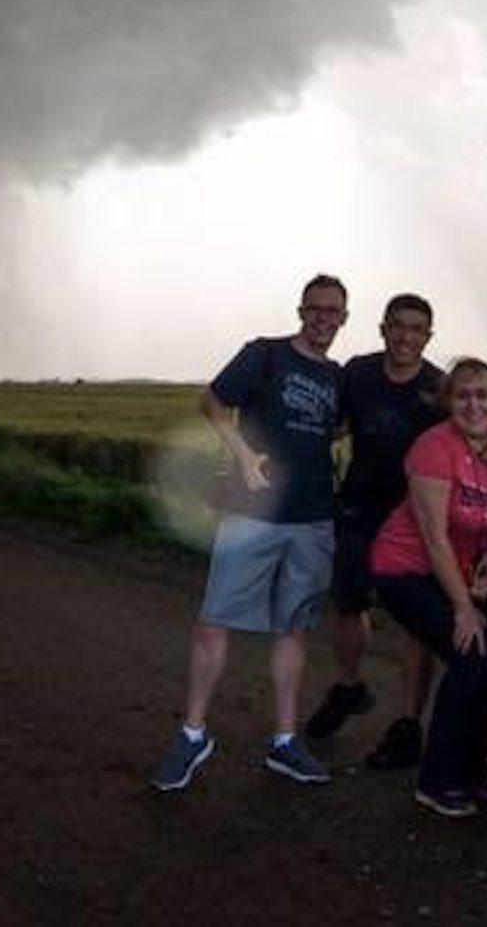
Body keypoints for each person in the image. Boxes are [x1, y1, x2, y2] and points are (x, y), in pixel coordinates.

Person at [150, 274, 349, 792]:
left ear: (344, 320)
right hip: (252, 516)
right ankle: (192, 735)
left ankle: (285, 743)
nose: (324, 320)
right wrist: (244, 455)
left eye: (335, 313)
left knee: (292, 629)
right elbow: (213, 402)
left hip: (311, 518)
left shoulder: (338, 377)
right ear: (301, 310)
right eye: (316, 309)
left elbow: (337, 427)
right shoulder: (264, 354)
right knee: (214, 623)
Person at [366, 358, 487, 817]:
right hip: (407, 569)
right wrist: (463, 607)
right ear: (448, 401)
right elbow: (434, 537)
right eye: (463, 395)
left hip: (469, 574)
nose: (474, 404)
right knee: (471, 658)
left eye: (484, 395)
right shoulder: (434, 449)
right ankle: (438, 779)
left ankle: (475, 767)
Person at [305, 294, 444, 767]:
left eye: (416, 329)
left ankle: (408, 725)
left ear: (429, 336)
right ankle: (349, 686)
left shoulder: (438, 389)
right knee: (349, 604)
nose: (406, 336)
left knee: (416, 625)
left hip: (414, 519)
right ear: (383, 329)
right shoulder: (358, 373)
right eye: (398, 326)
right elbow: (330, 425)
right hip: (358, 508)